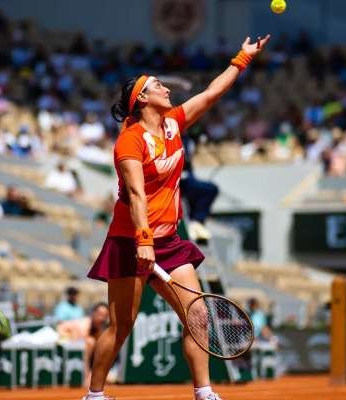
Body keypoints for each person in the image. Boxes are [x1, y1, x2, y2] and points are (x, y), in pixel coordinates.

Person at [84, 35, 270, 400]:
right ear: (141, 99)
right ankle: (95, 394)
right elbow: (136, 194)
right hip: (130, 240)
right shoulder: (130, 141)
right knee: (121, 326)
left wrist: (242, 59)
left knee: (198, 315)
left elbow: (212, 94)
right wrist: (143, 241)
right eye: (157, 85)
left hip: (168, 240)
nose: (166, 88)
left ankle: (204, 392)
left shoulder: (173, 123)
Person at [57, 302, 109, 387]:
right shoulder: (84, 326)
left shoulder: (100, 329)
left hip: (75, 346)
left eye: (105, 315)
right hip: (62, 340)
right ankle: (86, 378)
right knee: (90, 342)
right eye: (100, 314)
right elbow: (83, 351)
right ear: (93, 313)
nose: (102, 318)